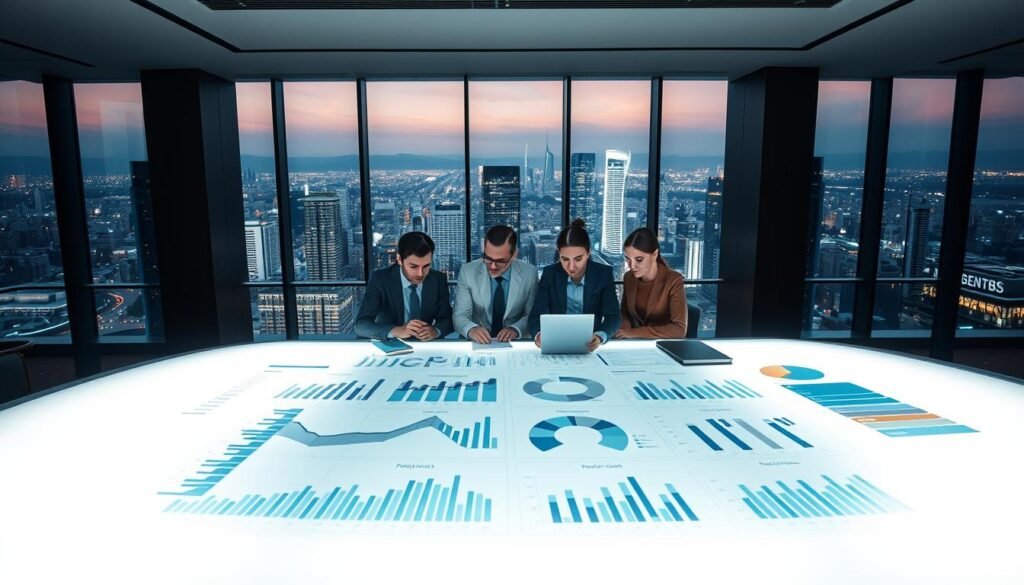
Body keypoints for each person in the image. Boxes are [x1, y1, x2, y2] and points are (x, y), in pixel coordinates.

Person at [528, 219, 620, 352]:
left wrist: (600, 336)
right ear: (559, 254)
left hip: (590, 346)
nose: (571, 267)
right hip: (556, 344)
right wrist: (538, 334)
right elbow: (536, 315)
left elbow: (613, 316)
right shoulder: (550, 274)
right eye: (564, 259)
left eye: (578, 259)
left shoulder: (602, 274)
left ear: (588, 253)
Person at [354, 231, 453, 341]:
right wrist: (397, 331)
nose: (420, 274)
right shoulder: (381, 279)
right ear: (399, 260)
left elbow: (447, 320)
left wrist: (435, 331)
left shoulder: (438, 279)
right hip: (390, 345)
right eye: (413, 266)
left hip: (426, 346)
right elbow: (361, 325)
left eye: (426, 266)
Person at [453, 225, 538, 344]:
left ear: (514, 255)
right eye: (488, 258)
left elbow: (532, 315)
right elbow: (460, 315)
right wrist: (471, 329)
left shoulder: (530, 273)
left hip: (514, 343)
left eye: (500, 261)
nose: (492, 266)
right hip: (477, 343)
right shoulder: (468, 271)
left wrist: (515, 329)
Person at [614, 227, 688, 339]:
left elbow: (679, 329)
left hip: (664, 345)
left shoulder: (673, 280)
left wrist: (636, 332)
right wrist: (625, 328)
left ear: (654, 255)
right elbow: (625, 311)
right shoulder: (629, 277)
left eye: (639, 259)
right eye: (628, 259)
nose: (631, 266)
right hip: (635, 344)